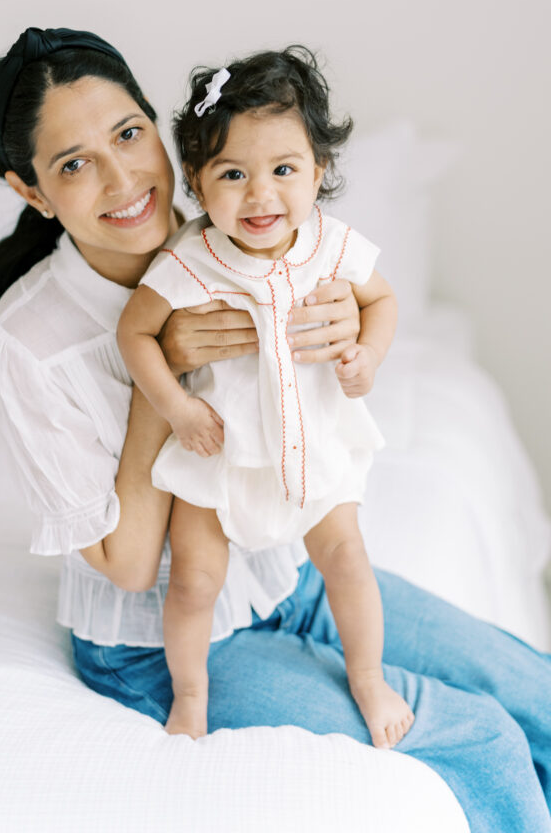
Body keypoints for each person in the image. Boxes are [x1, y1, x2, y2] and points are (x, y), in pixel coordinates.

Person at [0, 26, 551, 833]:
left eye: (128, 135)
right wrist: (165, 375)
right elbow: (128, 563)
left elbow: (350, 308)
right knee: (481, 741)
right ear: (31, 191)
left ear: (162, 132)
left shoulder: (240, 231)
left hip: (286, 570)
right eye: (72, 164)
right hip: (163, 643)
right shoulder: (26, 344)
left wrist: (349, 333)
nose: (120, 179)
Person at [117, 47, 413, 746]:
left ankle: (367, 677)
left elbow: (384, 300)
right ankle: (190, 697)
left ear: (320, 171)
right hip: (221, 452)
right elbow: (135, 335)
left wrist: (368, 354)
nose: (260, 196)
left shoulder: (331, 245)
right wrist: (178, 408)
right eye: (232, 174)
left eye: (283, 170)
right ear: (195, 180)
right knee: (193, 581)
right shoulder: (191, 260)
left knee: (346, 558)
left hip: (315, 440)